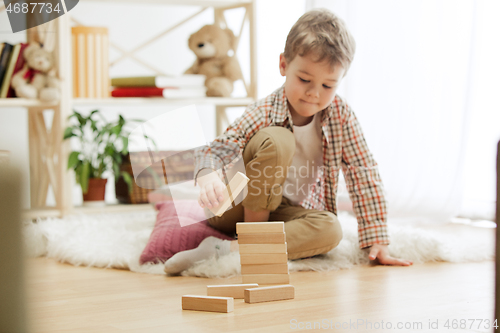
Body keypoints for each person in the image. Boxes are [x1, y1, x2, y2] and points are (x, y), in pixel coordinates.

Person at [164, 8, 412, 274]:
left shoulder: (341, 116)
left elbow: (363, 172)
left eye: (328, 86)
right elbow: (219, 146)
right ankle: (253, 242)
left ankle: (225, 250)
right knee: (277, 139)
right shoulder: (266, 110)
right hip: (234, 207)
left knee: (330, 229)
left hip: (283, 210)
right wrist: (208, 175)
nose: (314, 94)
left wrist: (377, 238)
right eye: (304, 79)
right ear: (283, 65)